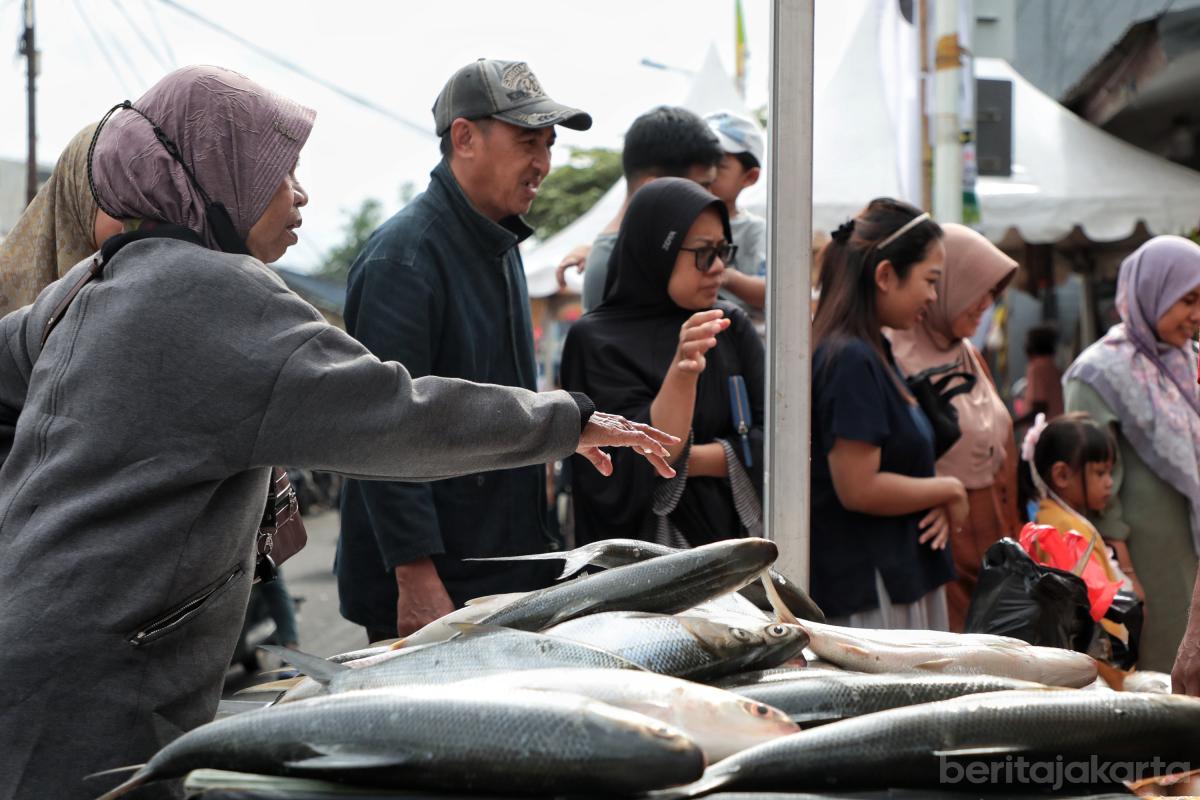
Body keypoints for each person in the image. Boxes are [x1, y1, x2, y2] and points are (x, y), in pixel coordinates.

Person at [0, 65, 676, 799]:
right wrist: (565, 420)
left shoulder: (94, 282)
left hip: (40, 638)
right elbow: (402, 414)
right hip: (103, 682)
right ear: (213, 174)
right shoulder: (220, 296)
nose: (300, 192)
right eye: (278, 169)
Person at [337, 59, 596, 644]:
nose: (543, 164)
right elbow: (380, 429)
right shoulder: (403, 258)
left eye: (549, 145)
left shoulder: (497, 241)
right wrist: (415, 572)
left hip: (500, 561)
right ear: (465, 137)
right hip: (437, 580)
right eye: (528, 141)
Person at [562, 178, 764, 547]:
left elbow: (781, 443)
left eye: (724, 250)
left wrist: (687, 460)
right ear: (659, 250)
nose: (719, 267)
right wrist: (683, 372)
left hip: (736, 551)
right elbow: (620, 470)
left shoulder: (729, 326)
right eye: (704, 253)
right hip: (644, 568)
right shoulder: (597, 340)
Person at [809, 198, 966, 630]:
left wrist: (931, 494)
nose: (933, 296)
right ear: (884, 275)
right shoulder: (851, 359)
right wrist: (947, 489)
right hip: (873, 588)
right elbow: (859, 488)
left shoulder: (870, 350)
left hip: (892, 577)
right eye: (929, 280)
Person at [1063, 235, 1200, 673]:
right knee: (1160, 672)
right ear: (1152, 289)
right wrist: (1125, 572)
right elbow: (1089, 482)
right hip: (1145, 558)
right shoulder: (1098, 372)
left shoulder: (1188, 359)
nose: (1196, 316)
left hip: (1191, 549)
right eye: (1188, 300)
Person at [889, 223, 1019, 632]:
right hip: (941, 546)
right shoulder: (895, 359)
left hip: (995, 541)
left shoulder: (969, 357)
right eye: (978, 288)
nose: (986, 302)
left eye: (993, 291)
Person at [554, 106, 724, 309]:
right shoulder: (610, 264)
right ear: (651, 189)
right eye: (702, 186)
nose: (710, 198)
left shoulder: (651, 246)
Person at [0, 121, 122, 315]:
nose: (140, 208)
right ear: (80, 191)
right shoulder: (6, 282)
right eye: (119, 190)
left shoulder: (140, 285)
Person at [704, 110, 767, 326]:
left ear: (750, 177)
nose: (707, 173)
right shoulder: (683, 222)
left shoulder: (756, 229)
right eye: (701, 162)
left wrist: (723, 274)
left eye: (719, 166)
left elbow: (771, 291)